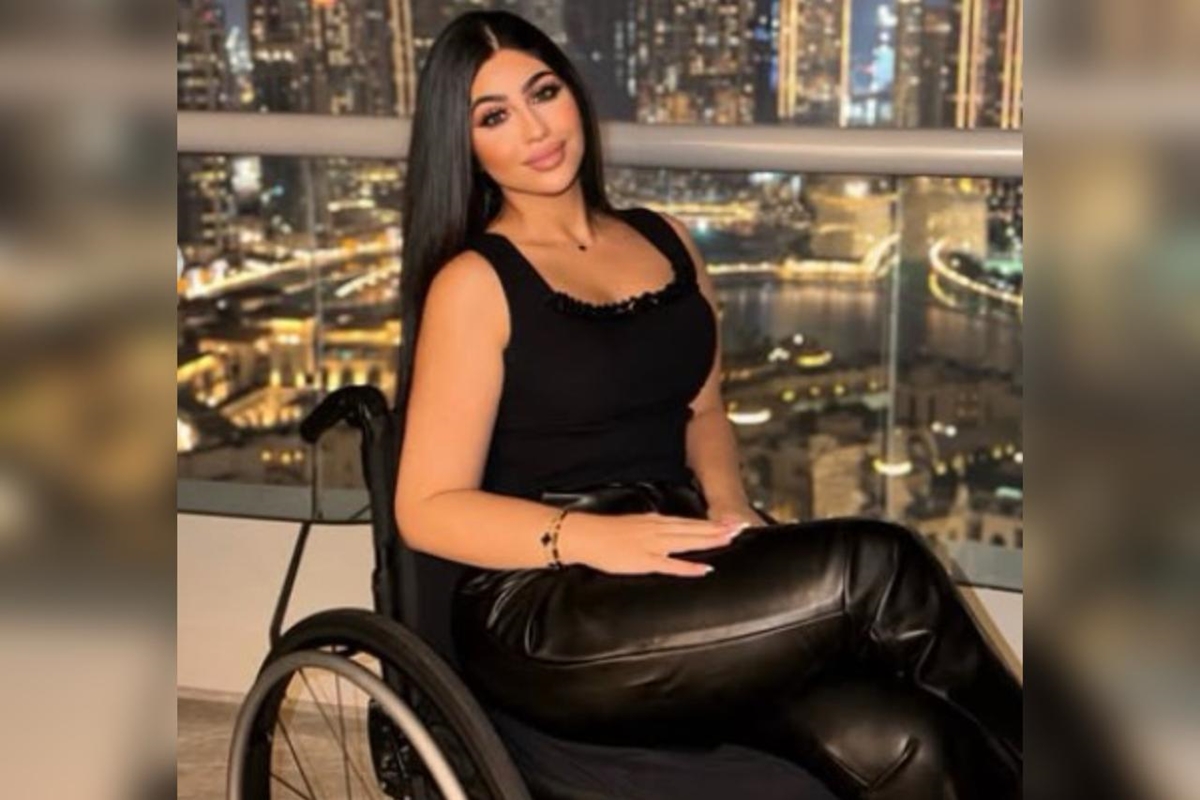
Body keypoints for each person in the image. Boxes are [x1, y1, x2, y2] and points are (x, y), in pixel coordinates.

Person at [393, 10, 1022, 799]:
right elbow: (426, 509)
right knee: (876, 564)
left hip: (679, 559)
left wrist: (730, 508)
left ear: (574, 93)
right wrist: (593, 537)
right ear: (466, 145)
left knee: (907, 743)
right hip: (548, 604)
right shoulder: (475, 284)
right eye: (494, 116)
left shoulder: (666, 240)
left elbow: (704, 411)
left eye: (543, 93)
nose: (535, 129)